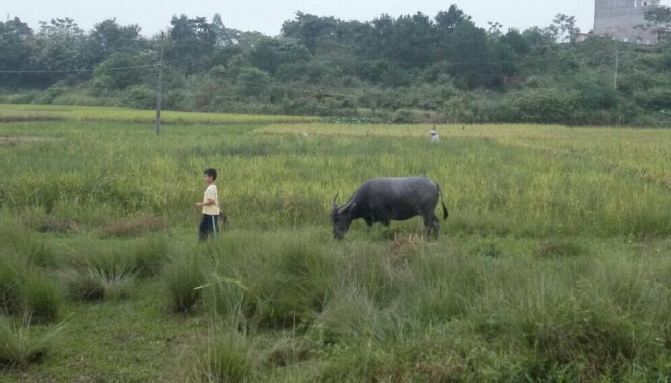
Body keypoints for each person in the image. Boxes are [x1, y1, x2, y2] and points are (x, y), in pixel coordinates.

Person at [196, 168, 220, 241]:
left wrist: (201, 204)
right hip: (206, 213)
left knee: (213, 231)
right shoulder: (210, 188)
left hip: (211, 213)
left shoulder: (212, 188)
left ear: (211, 177)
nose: (205, 178)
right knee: (202, 229)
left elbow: (212, 201)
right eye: (204, 176)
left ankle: (217, 245)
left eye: (206, 176)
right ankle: (202, 245)